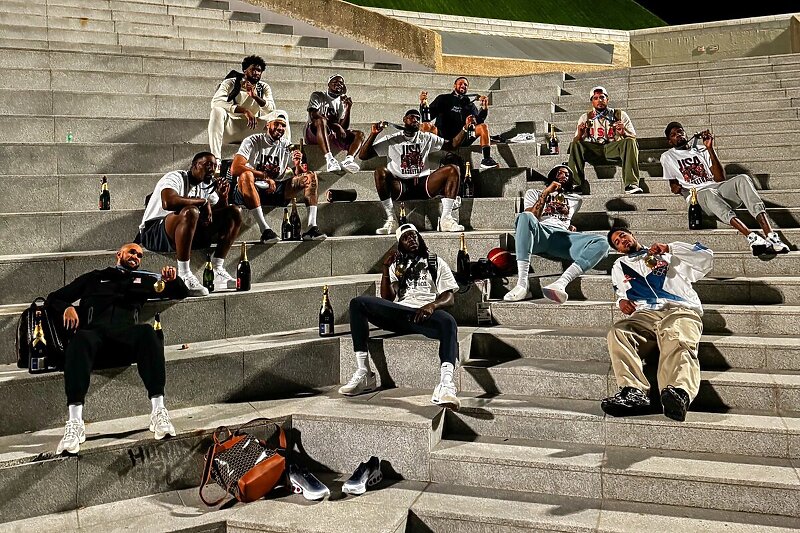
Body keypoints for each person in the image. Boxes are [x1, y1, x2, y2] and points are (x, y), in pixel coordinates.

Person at [46, 243, 189, 454]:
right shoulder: (94, 277)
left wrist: (172, 279)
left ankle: (159, 412)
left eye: (140, 255)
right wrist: (67, 307)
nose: (136, 257)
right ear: (118, 254)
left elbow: (180, 292)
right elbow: (54, 298)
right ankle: (75, 423)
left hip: (125, 340)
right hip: (93, 341)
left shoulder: (144, 280)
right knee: (80, 339)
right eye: (131, 252)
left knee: (148, 333)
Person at [339, 223, 461, 410]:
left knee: (449, 322)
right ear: (400, 245)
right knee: (358, 303)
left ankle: (446, 385)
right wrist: (385, 269)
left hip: (423, 315)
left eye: (414, 236)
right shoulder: (397, 266)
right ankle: (364, 373)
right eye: (406, 238)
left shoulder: (435, 261)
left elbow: (449, 297)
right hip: (399, 313)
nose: (411, 239)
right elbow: (388, 297)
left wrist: (432, 305)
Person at [602, 227, 714, 422]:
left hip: (680, 309)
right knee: (618, 332)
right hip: (646, 314)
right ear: (617, 250)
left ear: (632, 234)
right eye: (617, 242)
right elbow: (621, 291)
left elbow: (705, 258)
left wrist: (670, 248)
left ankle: (678, 393)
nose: (622, 241)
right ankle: (633, 392)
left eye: (622, 235)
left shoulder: (665, 254)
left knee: (675, 335)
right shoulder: (619, 265)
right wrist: (620, 301)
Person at [661, 122, 789, 255]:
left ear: (686, 133)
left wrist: (710, 148)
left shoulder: (700, 149)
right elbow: (673, 185)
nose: (678, 136)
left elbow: (720, 178)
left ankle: (771, 236)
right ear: (670, 141)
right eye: (673, 135)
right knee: (708, 192)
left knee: (743, 179)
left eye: (680, 132)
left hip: (718, 188)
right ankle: (751, 237)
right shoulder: (667, 157)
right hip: (700, 196)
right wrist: (676, 187)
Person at [138, 152, 242, 297]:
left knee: (234, 211)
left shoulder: (206, 185)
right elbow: (168, 202)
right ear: (194, 166)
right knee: (191, 211)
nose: (212, 169)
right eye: (207, 165)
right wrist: (202, 202)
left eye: (214, 166)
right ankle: (184, 274)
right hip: (155, 232)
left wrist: (223, 198)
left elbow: (214, 215)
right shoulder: (175, 177)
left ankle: (217, 269)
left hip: (187, 232)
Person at [504, 165, 608, 303]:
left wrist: (569, 226)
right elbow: (533, 216)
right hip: (539, 235)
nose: (563, 176)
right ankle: (522, 284)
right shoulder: (533, 193)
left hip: (562, 238)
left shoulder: (576, 199)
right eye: (559, 173)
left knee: (603, 242)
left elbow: (564, 220)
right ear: (552, 176)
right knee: (524, 216)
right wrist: (546, 192)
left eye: (567, 174)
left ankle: (560, 283)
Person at [358, 109, 471, 235]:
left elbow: (452, 145)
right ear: (404, 120)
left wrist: (465, 128)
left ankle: (446, 219)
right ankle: (391, 219)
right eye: (412, 117)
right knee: (380, 172)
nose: (415, 120)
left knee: (453, 169)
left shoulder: (426, 137)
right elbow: (363, 155)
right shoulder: (391, 139)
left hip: (423, 184)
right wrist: (373, 134)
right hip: (400, 186)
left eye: (418, 118)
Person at [230, 110, 325, 242]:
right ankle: (265, 230)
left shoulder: (286, 145)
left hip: (276, 189)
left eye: (283, 125)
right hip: (250, 190)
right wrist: (264, 177)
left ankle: (311, 228)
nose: (280, 128)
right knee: (246, 175)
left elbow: (297, 174)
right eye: (277, 124)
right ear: (268, 125)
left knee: (310, 177)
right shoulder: (253, 140)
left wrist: (297, 165)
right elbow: (235, 168)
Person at [568, 86, 641, 194]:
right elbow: (576, 142)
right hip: (594, 149)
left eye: (602, 97)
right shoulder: (585, 117)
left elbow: (633, 138)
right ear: (592, 101)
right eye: (596, 98)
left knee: (630, 142)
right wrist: (580, 134)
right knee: (575, 144)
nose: (599, 100)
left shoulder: (619, 115)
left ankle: (631, 184)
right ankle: (575, 184)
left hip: (613, 148)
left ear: (607, 99)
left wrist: (623, 132)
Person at [419, 76, 499, 170]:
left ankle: (486, 159)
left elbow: (479, 122)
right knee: (425, 126)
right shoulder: (443, 99)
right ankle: (420, 156)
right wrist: (423, 105)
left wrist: (484, 109)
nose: (463, 85)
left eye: (465, 84)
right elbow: (428, 118)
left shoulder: (470, 105)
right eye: (460, 83)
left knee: (483, 127)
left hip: (461, 137)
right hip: (443, 137)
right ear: (454, 86)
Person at [208, 55, 275, 161]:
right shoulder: (230, 83)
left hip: (252, 130)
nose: (256, 73)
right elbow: (216, 103)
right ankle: (216, 160)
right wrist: (244, 110)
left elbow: (270, 110)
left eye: (259, 71)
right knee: (217, 111)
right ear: (245, 70)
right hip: (231, 130)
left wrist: (255, 96)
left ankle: (284, 158)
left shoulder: (263, 87)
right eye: (253, 69)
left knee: (281, 114)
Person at [304, 74, 363, 173]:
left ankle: (348, 160)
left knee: (359, 134)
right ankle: (329, 159)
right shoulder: (318, 95)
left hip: (331, 135)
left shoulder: (341, 101)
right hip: (314, 133)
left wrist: (348, 109)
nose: (338, 84)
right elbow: (314, 114)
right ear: (328, 84)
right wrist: (335, 125)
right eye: (335, 82)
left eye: (341, 83)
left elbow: (343, 127)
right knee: (321, 121)